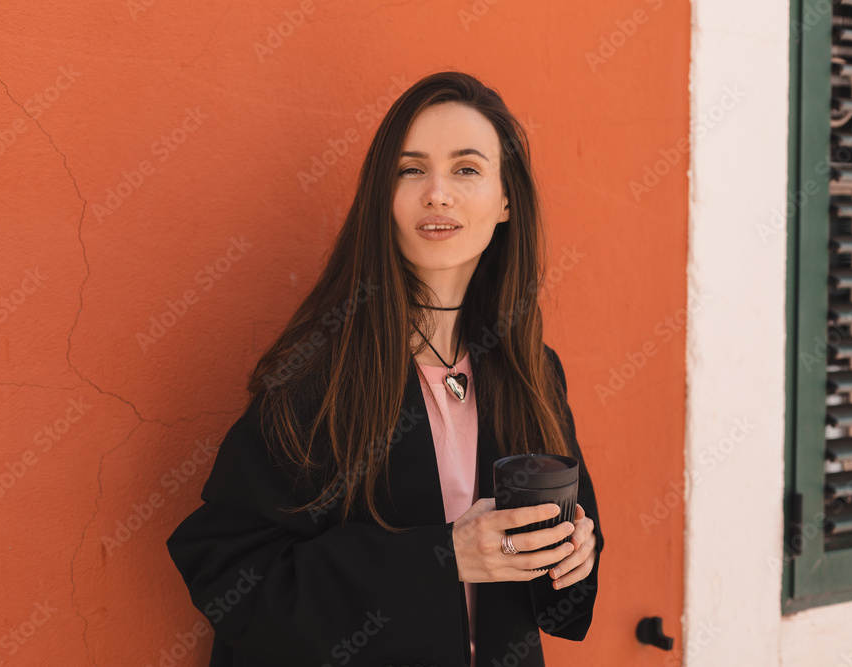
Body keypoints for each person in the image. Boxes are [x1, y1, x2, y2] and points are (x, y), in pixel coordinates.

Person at [166, 70, 604, 667]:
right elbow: (226, 565)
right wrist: (445, 557)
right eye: (411, 169)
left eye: (467, 169)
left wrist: (575, 555)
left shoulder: (532, 371)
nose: (438, 193)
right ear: (384, 196)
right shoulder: (321, 372)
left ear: (506, 201)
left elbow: (559, 585)